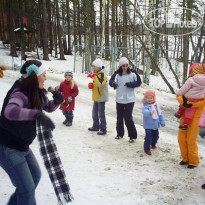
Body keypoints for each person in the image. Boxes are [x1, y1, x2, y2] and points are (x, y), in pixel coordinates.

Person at [0, 60, 65, 204]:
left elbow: (47, 107)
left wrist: (57, 102)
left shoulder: (35, 91)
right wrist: (35, 114)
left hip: (22, 146)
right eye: (43, 75)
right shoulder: (20, 92)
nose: (46, 78)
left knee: (35, 176)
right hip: (8, 147)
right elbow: (10, 111)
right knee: (27, 189)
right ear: (34, 76)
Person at [109, 57, 142, 143]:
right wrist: (114, 84)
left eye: (126, 65)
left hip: (130, 100)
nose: (125, 67)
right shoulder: (117, 74)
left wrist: (131, 84)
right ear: (120, 66)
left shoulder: (133, 72)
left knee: (128, 118)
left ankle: (132, 136)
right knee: (119, 117)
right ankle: (119, 134)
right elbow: (111, 81)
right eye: (123, 65)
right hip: (119, 99)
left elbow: (139, 82)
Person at [175, 63, 205, 130]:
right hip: (197, 99)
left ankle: (179, 112)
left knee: (183, 103)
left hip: (188, 97)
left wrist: (178, 93)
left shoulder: (191, 79)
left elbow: (184, 88)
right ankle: (186, 123)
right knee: (191, 110)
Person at [87, 58, 108, 135]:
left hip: (101, 97)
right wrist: (92, 84)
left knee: (101, 114)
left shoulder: (103, 75)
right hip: (96, 97)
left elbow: (99, 84)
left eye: (94, 66)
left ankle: (103, 129)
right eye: (93, 66)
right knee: (94, 112)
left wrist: (94, 77)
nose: (93, 67)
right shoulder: (97, 74)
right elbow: (96, 84)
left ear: (99, 67)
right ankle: (96, 126)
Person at [142, 89, 165, 155]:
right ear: (145, 99)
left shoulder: (157, 106)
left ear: (154, 98)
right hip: (148, 126)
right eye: (148, 98)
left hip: (155, 125)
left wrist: (162, 121)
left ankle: (153, 144)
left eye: (151, 98)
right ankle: (147, 149)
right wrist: (149, 112)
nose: (149, 99)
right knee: (148, 137)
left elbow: (160, 114)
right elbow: (144, 112)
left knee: (156, 136)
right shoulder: (146, 106)